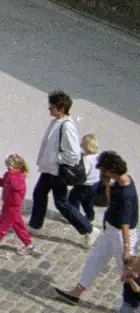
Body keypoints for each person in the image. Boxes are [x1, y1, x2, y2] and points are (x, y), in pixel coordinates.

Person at [56, 151, 137, 305]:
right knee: (95, 260)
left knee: (127, 272)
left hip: (121, 235)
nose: (102, 173)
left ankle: (135, 303)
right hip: (112, 230)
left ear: (111, 170)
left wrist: (126, 249)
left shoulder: (126, 193)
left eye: (104, 171)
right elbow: (110, 201)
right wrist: (107, 184)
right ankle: (77, 292)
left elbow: (125, 224)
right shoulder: (121, 182)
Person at [30, 91, 94, 246]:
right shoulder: (57, 122)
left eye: (51, 107)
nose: (49, 109)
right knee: (39, 193)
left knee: (61, 203)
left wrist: (55, 159)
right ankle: (35, 225)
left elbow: (73, 155)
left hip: (57, 171)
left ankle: (88, 229)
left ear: (61, 108)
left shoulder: (67, 127)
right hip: (49, 169)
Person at [70, 133, 103, 230]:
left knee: (72, 201)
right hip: (95, 184)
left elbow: (83, 173)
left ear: (87, 146)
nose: (80, 146)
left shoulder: (86, 159)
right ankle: (90, 216)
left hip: (84, 185)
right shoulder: (98, 157)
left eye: (82, 144)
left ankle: (77, 218)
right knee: (88, 202)